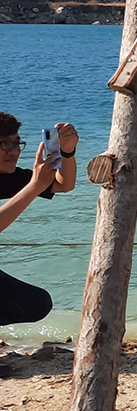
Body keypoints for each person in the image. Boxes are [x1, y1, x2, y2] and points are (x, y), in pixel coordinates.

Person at [0, 113, 79, 327]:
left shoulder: (8, 176)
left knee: (36, 303)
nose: (14, 152)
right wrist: (34, 186)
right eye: (5, 144)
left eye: (16, 144)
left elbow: (64, 184)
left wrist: (67, 152)